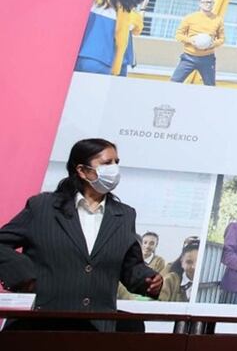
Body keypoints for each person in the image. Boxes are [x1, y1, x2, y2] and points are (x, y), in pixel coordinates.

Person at [0, 138, 162, 330]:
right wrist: (23, 275)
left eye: (116, 162)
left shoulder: (125, 215)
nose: (114, 169)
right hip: (40, 325)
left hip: (97, 329)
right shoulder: (42, 207)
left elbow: (130, 266)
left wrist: (149, 280)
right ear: (82, 171)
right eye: (106, 163)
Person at [74, 0, 140, 75]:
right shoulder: (122, 2)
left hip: (73, 56)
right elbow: (121, 39)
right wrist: (115, 70)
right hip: (101, 60)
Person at [169, 0, 225, 86]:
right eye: (205, 2)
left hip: (207, 59)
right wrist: (191, 41)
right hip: (189, 57)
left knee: (210, 86)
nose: (208, 4)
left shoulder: (218, 19)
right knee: (174, 83)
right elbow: (178, 35)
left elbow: (222, 39)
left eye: (211, 2)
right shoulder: (190, 18)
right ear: (200, 3)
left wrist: (212, 44)